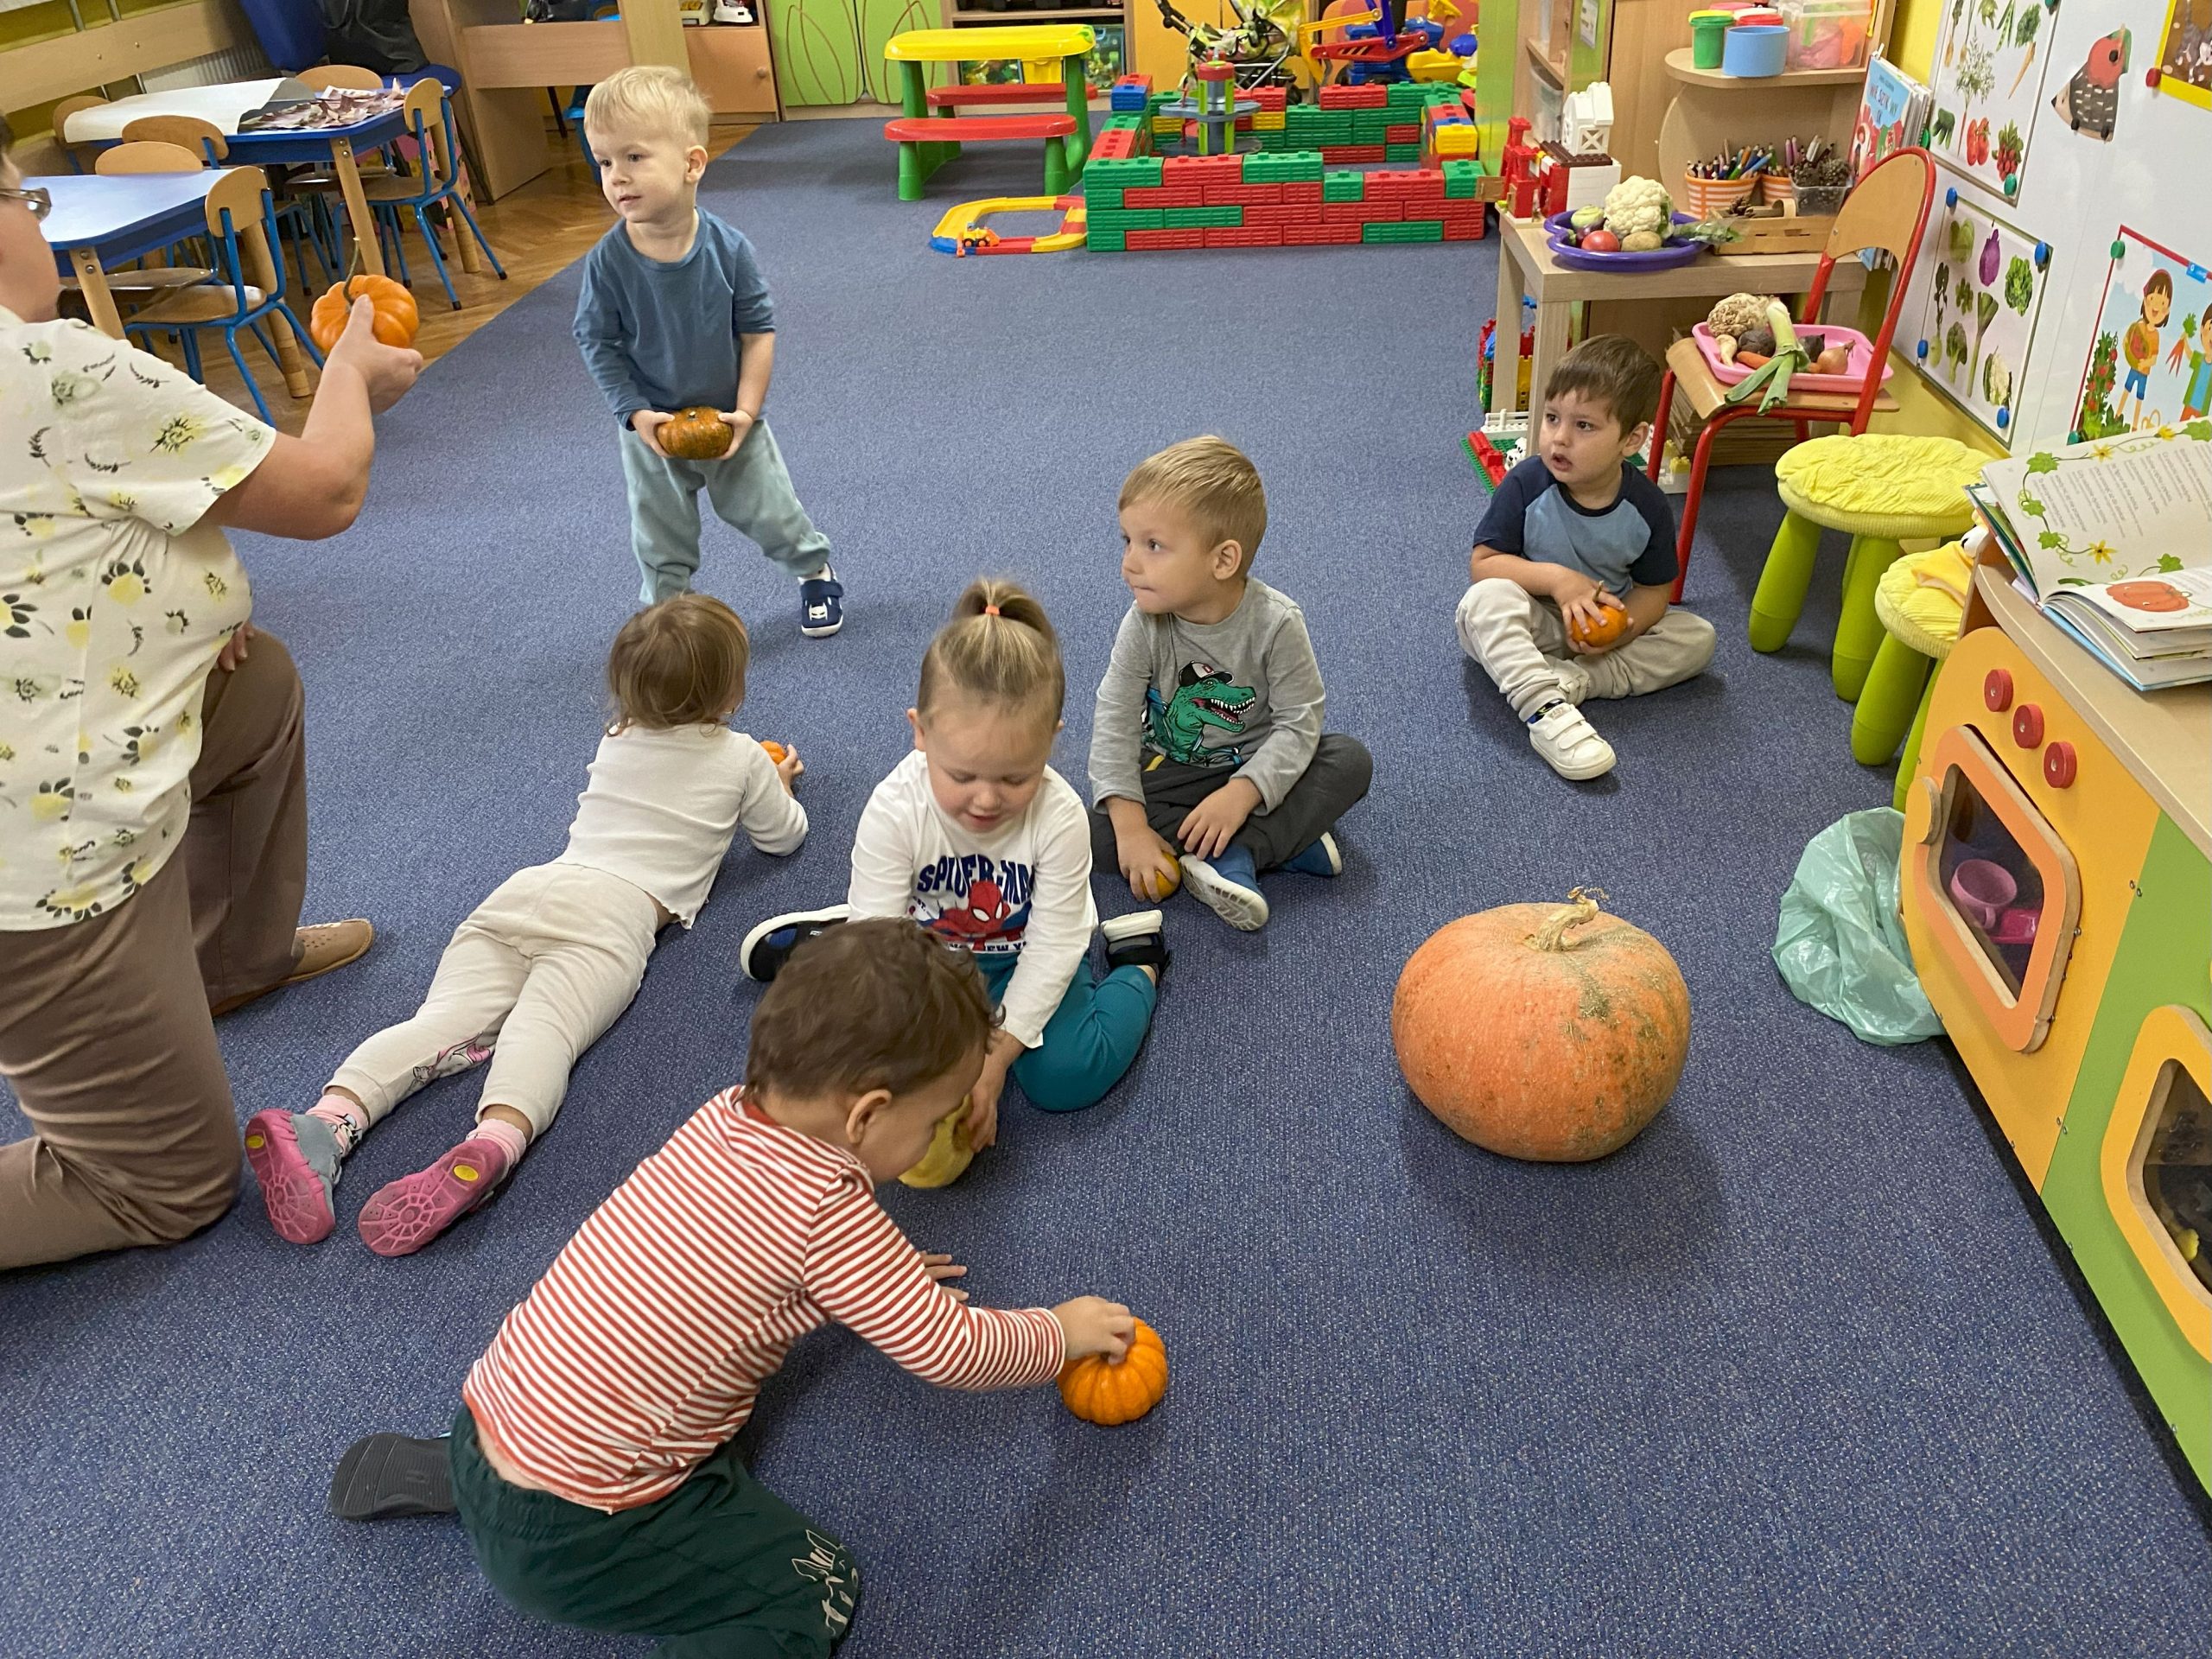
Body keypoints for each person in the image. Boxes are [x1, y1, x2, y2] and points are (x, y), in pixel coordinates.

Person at [449, 918, 1135, 1656]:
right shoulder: (826, 1217)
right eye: (934, 1119)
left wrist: (884, 1280)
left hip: (489, 1410)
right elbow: (954, 1351)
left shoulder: (724, 1112)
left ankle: (460, 1481)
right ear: (868, 1114)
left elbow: (730, 1258)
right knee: (815, 1586)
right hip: (574, 1533)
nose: (941, 1134)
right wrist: (1058, 1333)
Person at [0, 119, 422, 1271]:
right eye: (24, 203)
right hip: (40, 868)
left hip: (63, 782)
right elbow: (327, 489)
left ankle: (233, 959)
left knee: (258, 683)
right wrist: (348, 371)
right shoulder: (51, 368)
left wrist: (185, 624)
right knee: (167, 1185)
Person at [243, 595, 806, 1255]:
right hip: (613, 916)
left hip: (524, 893)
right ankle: (492, 1143)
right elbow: (782, 839)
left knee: (438, 1023)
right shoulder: (740, 757)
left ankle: (323, 1123)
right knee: (544, 1032)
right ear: (733, 689)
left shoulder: (617, 735)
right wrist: (780, 783)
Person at [741, 581, 1167, 1185]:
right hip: (920, 960)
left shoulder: (1062, 815)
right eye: (961, 774)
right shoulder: (895, 808)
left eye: (1016, 777)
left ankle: (1139, 962)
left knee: (1069, 1078)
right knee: (856, 1068)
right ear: (920, 732)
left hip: (1022, 958)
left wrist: (992, 1064)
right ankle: (842, 934)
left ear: (1051, 740)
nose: (987, 800)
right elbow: (887, 957)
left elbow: (1052, 946)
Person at [575, 66, 842, 635]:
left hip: (729, 414)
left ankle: (814, 571)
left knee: (773, 512)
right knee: (658, 534)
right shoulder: (608, 261)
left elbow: (758, 331)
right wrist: (634, 412)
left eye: (634, 158)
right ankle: (667, 614)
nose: (616, 177)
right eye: (604, 162)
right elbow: (596, 341)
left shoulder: (728, 249)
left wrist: (746, 412)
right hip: (653, 427)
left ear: (692, 163)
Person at [1089, 435, 1372, 934]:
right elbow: (1114, 721)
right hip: (1169, 770)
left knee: (1349, 761)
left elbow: (1299, 724)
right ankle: (1282, 843)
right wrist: (1131, 827)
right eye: (1127, 541)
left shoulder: (1277, 623)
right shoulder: (1143, 623)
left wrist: (1242, 794)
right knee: (1092, 836)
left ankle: (1239, 849)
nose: (1130, 563)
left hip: (1252, 766)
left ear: (1222, 561)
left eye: (1153, 545)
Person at [1455, 335, 1718, 783]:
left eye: (1584, 426)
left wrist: (1618, 632)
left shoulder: (1648, 506)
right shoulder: (1527, 483)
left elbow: (1655, 592)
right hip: (1536, 617)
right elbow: (1484, 564)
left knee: (1697, 637)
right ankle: (1545, 710)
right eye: (1553, 418)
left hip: (1598, 635)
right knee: (1482, 604)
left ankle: (1576, 682)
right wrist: (1558, 580)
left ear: (1631, 439)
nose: (1559, 438)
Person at [2119, 270, 2171, 429]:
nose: (2156, 306)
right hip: (2134, 367)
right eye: (2153, 298)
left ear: (2167, 310)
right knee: (2126, 391)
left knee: (2139, 398)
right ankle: (2117, 413)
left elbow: (2154, 358)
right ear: (2146, 300)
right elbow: (2128, 338)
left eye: (2162, 303)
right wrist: (2126, 344)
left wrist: (2145, 362)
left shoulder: (2155, 336)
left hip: (2144, 372)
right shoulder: (2138, 326)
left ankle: (2134, 426)